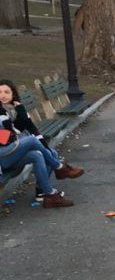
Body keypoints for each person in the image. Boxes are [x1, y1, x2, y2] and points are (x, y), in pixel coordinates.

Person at [0, 79, 83, 207]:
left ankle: (46, 194)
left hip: (12, 153)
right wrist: (16, 135)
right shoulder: (1, 112)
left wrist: (21, 110)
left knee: (40, 154)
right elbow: (5, 139)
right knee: (32, 140)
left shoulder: (14, 109)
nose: (3, 95)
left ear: (13, 94)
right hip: (3, 157)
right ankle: (59, 167)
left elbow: (29, 128)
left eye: (6, 92)